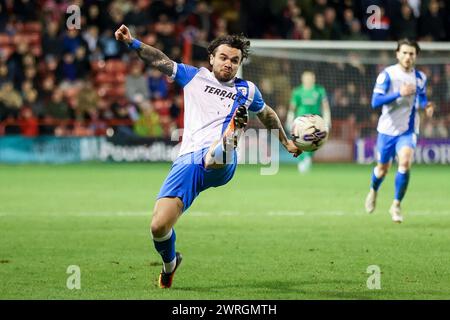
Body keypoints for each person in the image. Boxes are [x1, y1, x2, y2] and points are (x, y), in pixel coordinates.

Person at [115, 25, 302, 288]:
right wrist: (132, 42)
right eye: (223, 57)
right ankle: (170, 265)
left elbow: (268, 114)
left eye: (235, 60)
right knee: (158, 226)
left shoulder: (247, 90)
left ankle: (231, 136)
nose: (228, 63)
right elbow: (159, 60)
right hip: (188, 161)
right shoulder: (194, 77)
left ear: (239, 64)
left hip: (220, 161)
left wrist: (287, 143)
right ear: (212, 58)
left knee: (218, 152)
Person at [364, 39, 434, 223]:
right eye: (404, 52)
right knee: (382, 169)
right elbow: (375, 102)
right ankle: (373, 190)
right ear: (397, 54)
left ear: (416, 56)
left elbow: (422, 98)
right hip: (387, 130)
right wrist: (399, 93)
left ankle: (396, 204)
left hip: (408, 130)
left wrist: (427, 106)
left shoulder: (420, 77)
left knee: (405, 162)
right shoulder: (387, 75)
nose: (408, 57)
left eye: (411, 53)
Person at [286, 70, 331, 173]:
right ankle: (304, 160)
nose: (309, 80)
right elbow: (292, 107)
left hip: (316, 122)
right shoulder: (297, 91)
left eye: (311, 78)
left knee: (314, 142)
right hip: (300, 122)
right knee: (301, 141)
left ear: (314, 79)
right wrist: (289, 119)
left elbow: (325, 106)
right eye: (307, 78)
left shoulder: (320, 90)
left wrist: (327, 120)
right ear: (302, 79)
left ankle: (307, 158)